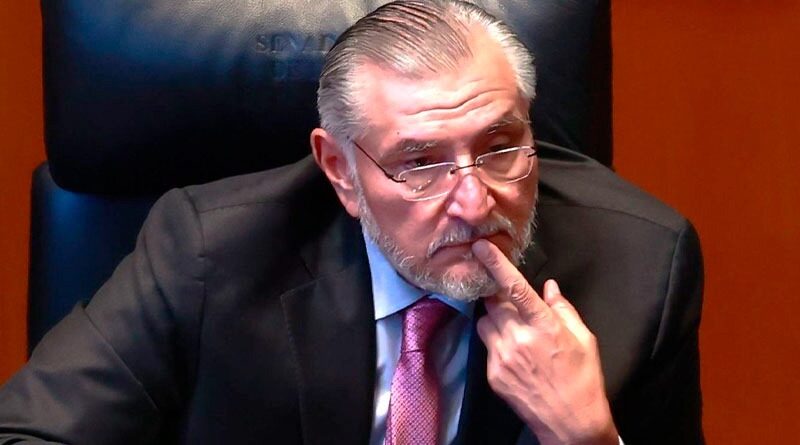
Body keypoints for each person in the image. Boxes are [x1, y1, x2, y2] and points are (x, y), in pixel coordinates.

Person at [0, 1, 703, 444]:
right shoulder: (211, 249)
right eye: (420, 163)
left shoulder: (641, 267)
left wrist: (586, 437)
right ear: (340, 170)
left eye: (500, 146)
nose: (474, 201)